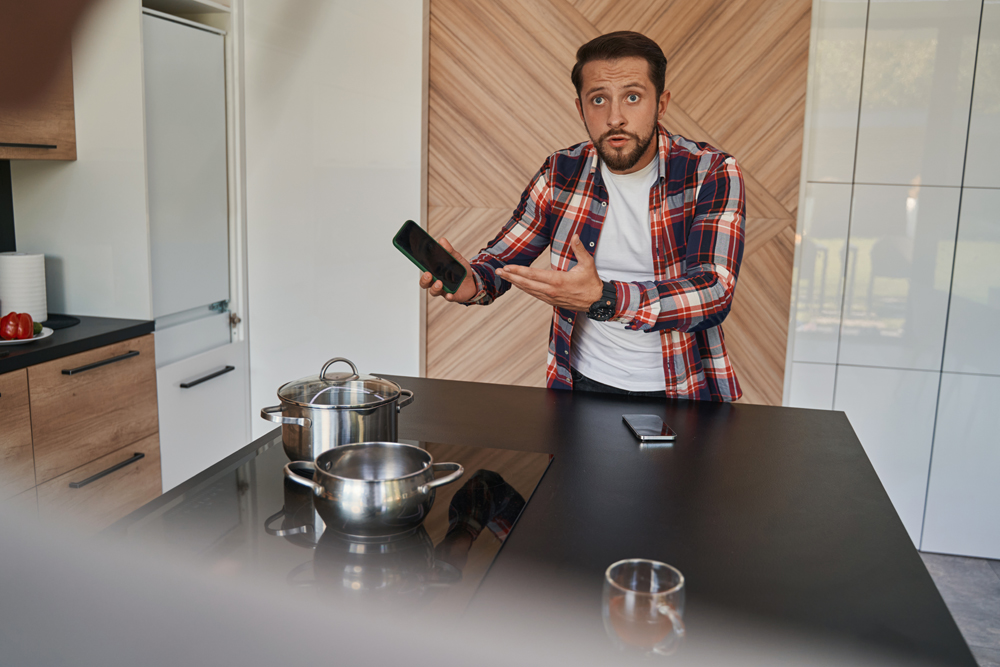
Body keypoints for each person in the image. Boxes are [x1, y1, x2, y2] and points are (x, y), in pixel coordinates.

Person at [420, 31, 745, 402]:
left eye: (633, 97)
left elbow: (714, 291)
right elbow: (501, 258)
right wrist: (471, 283)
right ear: (581, 109)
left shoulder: (710, 171)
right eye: (598, 100)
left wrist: (603, 297)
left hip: (682, 388)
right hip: (580, 383)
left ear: (662, 103)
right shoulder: (561, 170)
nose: (615, 117)